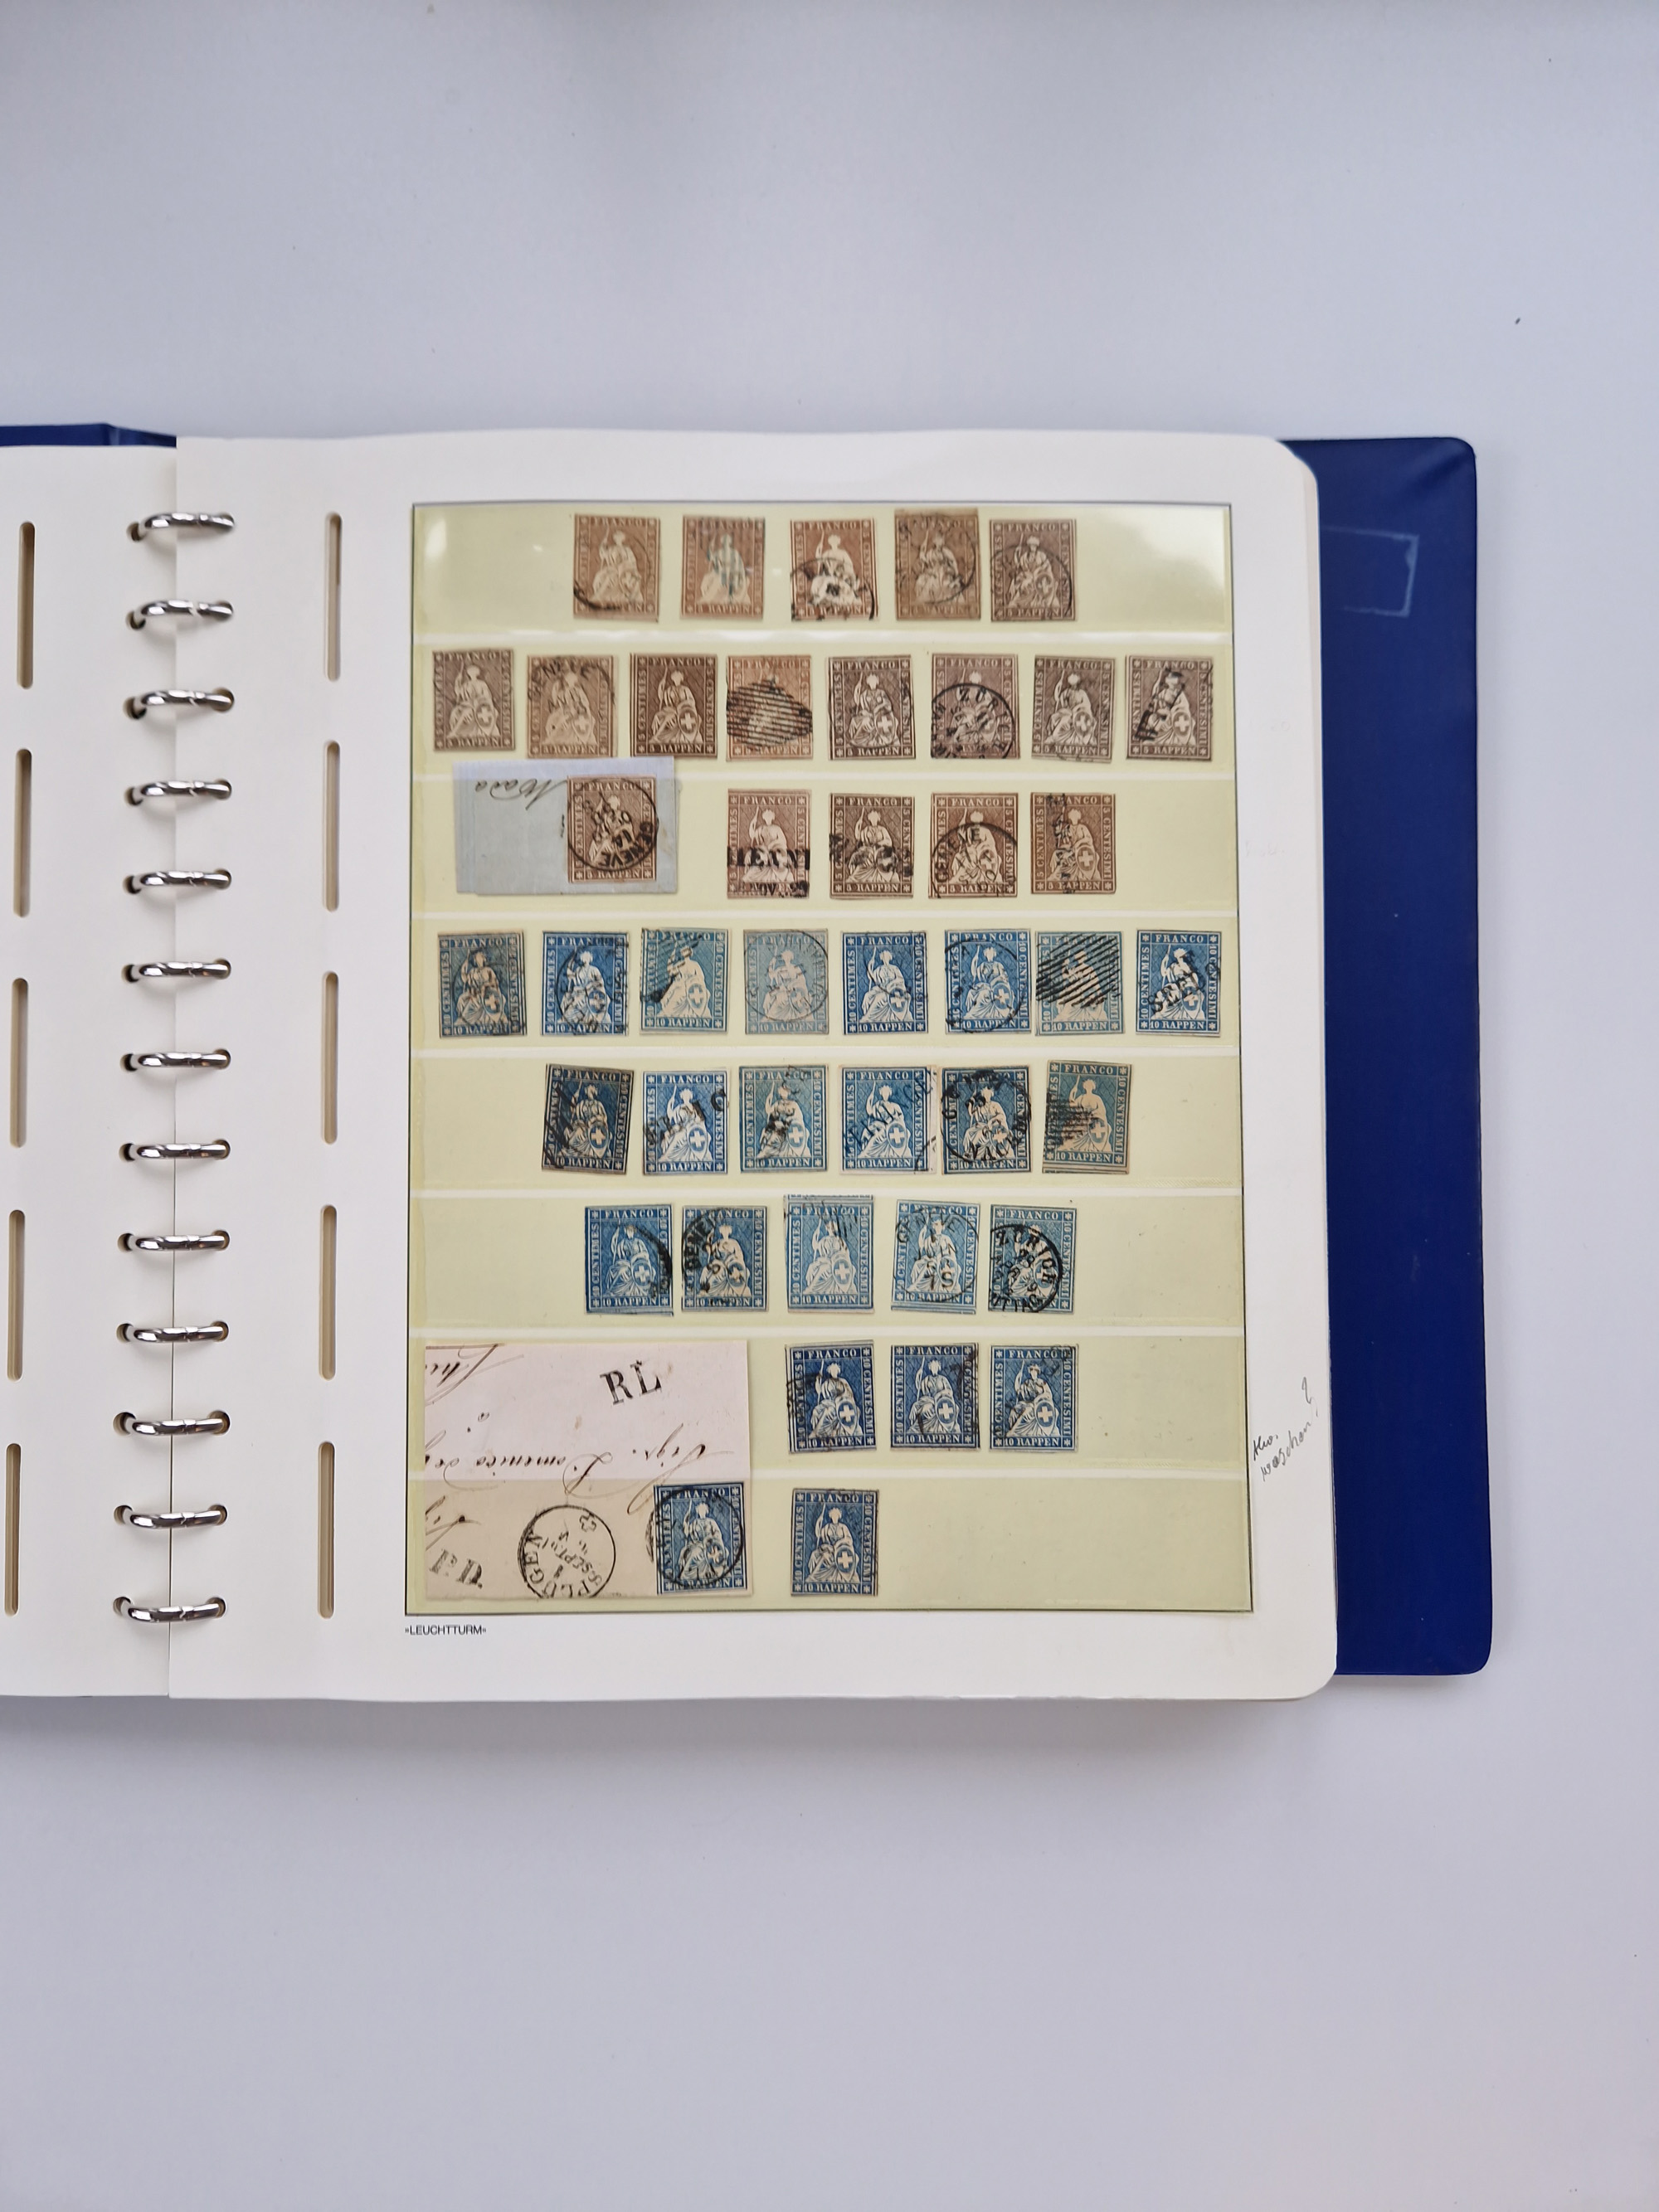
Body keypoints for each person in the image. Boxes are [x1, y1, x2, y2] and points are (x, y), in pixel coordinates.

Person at [1134, 664, 1198, 751]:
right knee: (1153, 721)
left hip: (1172, 718)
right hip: (1163, 717)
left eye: (1174, 681)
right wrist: (1160, 709)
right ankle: (1153, 737)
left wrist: (1173, 710)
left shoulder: (1180, 694)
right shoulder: (1163, 692)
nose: (1173, 685)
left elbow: (1184, 706)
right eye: (1171, 681)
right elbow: (1156, 700)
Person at [1005, 532, 1065, 617]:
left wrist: (1039, 570)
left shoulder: (1041, 555)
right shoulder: (1025, 556)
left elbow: (1047, 565)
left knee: (1033, 584)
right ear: (1029, 546)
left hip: (1040, 577)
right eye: (1031, 546)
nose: (1032, 547)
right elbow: (1018, 565)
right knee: (1023, 584)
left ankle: (1040, 602)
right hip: (1028, 576)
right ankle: (1019, 601)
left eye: (1034, 546)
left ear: (1036, 547)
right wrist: (1016, 554)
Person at [674, 1497, 730, 1586]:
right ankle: (686, 1575)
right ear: (698, 1511)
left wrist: (711, 1539)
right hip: (698, 1545)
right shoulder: (695, 1522)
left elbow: (718, 1534)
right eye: (700, 1510)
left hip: (710, 1546)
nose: (701, 1512)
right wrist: (686, 1523)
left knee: (704, 1554)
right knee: (693, 1553)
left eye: (703, 1510)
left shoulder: (711, 1522)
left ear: (706, 1511)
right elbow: (687, 1533)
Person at [946, 809, 1005, 892]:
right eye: (974, 823)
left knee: (969, 860)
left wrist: (981, 846)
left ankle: (957, 877)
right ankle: (959, 877)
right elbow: (967, 842)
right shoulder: (969, 830)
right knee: (958, 856)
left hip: (983, 853)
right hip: (971, 851)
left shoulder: (986, 831)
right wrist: (961, 833)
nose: (976, 825)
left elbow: (991, 842)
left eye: (977, 823)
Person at [542, 662, 597, 752]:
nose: (571, 684)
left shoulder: (579, 691)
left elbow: (585, 704)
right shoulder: (561, 692)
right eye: (569, 682)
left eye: (573, 682)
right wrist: (565, 712)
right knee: (555, 722)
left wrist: (581, 708)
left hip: (577, 714)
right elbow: (560, 705)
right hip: (567, 712)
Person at [453, 946, 509, 1031]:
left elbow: (494, 983)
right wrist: (463, 969)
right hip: (475, 993)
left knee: (475, 1002)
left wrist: (485, 985)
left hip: (487, 994)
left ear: (484, 958)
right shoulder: (473, 971)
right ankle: (463, 1019)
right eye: (476, 957)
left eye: (479, 957)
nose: (477, 959)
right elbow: (465, 979)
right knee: (461, 999)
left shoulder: (488, 970)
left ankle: (465, 1019)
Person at [961, 940, 1016, 1026]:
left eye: (991, 953)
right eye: (988, 953)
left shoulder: (998, 965)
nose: (989, 955)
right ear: (985, 955)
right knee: (971, 993)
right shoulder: (982, 965)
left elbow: (1005, 977)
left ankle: (980, 1014)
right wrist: (974, 961)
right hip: (986, 987)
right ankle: (972, 1014)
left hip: (997, 989)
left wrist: (997, 979)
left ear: (994, 954)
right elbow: (974, 973)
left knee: (983, 994)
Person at [907, 1213, 962, 1299]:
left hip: (943, 1263)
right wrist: (921, 1234)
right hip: (933, 1261)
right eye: (935, 1225)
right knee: (917, 1264)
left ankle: (915, 1285)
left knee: (930, 1265)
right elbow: (922, 1247)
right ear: (933, 1227)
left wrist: (950, 1261)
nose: (937, 1227)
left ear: (943, 1227)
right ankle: (916, 1286)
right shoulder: (930, 1238)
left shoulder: (946, 1239)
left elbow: (952, 1254)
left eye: (939, 1225)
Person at [1005, 1359, 1062, 1443]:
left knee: (1027, 1411)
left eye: (1035, 1371)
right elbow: (1018, 1391)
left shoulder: (1042, 1382)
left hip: (1040, 1404)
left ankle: (1013, 1431)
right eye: (1032, 1371)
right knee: (1015, 1410)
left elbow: (1048, 1394)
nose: (1034, 1373)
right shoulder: (1027, 1383)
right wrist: (1018, 1378)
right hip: (1029, 1403)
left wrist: (1039, 1398)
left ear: (1038, 1372)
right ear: (1030, 1372)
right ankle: (1015, 1430)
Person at [446, 661, 501, 746]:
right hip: (467, 705)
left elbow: (487, 697)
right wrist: (458, 681)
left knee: (466, 713)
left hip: (479, 706)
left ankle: (454, 733)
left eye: (473, 672)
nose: (471, 674)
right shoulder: (466, 684)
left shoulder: (482, 684)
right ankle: (459, 732)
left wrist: (478, 701)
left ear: (476, 674)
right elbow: (458, 693)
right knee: (454, 713)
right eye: (470, 673)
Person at [856, 1083, 912, 1165]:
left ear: (889, 1094)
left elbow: (901, 1117)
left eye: (887, 1093)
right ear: (881, 1094)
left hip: (892, 1128)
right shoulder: (878, 1105)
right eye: (884, 1093)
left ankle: (867, 1153)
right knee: (867, 1131)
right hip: (881, 1125)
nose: (885, 1095)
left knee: (878, 1136)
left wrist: (896, 1121)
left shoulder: (895, 1106)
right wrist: (869, 1100)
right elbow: (870, 1112)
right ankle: (866, 1153)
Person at [1044, 666, 1097, 755]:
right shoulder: (1067, 692)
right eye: (1072, 685)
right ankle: (1054, 736)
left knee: (1065, 720)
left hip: (1079, 713)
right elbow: (1058, 699)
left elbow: (1087, 704)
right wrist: (1057, 687)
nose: (1073, 687)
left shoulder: (1082, 693)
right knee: (1054, 717)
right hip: (1068, 711)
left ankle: (1056, 737)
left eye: (1075, 685)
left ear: (1077, 684)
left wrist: (1078, 707)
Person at [559, 946, 613, 1032]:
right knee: (568, 999)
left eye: (587, 958)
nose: (585, 960)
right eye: (584, 958)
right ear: (582, 959)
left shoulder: (594, 970)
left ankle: (566, 1018)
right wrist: (571, 959)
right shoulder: (578, 970)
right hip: (578, 992)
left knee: (576, 1002)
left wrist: (590, 985)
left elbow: (600, 982)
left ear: (590, 959)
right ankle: (567, 1018)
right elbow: (570, 974)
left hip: (590, 993)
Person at [589, 527, 645, 610]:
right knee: (599, 577)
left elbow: (632, 561)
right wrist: (603, 544)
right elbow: (603, 555)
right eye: (616, 538)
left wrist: (628, 569)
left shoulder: (627, 549)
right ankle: (600, 596)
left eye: (619, 537)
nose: (617, 539)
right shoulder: (611, 549)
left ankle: (599, 596)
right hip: (612, 568)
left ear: (622, 539)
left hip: (625, 570)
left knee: (610, 577)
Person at [846, 667, 900, 752]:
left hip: (880, 716)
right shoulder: (864, 694)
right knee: (854, 721)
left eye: (874, 681)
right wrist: (857, 690)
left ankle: (856, 741)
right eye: (871, 682)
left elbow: (888, 705)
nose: (873, 684)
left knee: (866, 722)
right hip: (869, 715)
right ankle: (854, 739)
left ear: (877, 682)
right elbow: (858, 702)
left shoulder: (881, 693)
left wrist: (879, 707)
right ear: (868, 683)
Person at [650, 665, 705, 750]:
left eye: (677, 676)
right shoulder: (670, 689)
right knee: (657, 716)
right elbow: (662, 697)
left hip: (682, 711)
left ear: (680, 678)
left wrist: (681, 705)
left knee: (668, 718)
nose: (675, 678)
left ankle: (658, 737)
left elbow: (691, 701)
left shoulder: (685, 689)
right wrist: (661, 686)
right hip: (672, 709)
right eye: (674, 677)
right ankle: (657, 736)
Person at [907, 1358, 961, 1442]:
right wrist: (918, 1376)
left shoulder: (943, 1379)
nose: (934, 1369)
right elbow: (919, 1388)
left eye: (936, 1367)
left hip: (941, 1402)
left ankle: (942, 1429)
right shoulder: (927, 1379)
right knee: (923, 1408)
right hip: (930, 1400)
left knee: (955, 1408)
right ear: (930, 1368)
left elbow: (950, 1391)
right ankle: (919, 1428)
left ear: (938, 1368)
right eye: (933, 1367)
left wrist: (940, 1394)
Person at [1046, 804, 1100, 888]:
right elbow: (1067, 842)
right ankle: (1057, 874)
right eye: (1071, 817)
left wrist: (1079, 843)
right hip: (1072, 849)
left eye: (1074, 816)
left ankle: (1056, 875)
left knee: (1065, 857)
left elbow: (1089, 839)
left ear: (1077, 818)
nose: (1072, 818)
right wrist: (1061, 835)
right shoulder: (1068, 828)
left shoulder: (1082, 828)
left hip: (1081, 851)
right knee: (1056, 854)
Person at [744, 807, 796, 893]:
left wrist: (773, 844)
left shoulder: (777, 828)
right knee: (752, 857)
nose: (768, 819)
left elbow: (783, 840)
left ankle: (783, 881)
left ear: (772, 818)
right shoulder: (761, 828)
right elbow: (752, 835)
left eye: (770, 817)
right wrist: (752, 824)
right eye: (766, 817)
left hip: (775, 850)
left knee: (778, 859)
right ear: (764, 818)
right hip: (763, 850)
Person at [1056, 1074, 1112, 1155]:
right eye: (1087, 1086)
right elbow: (1073, 1105)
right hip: (1083, 1121)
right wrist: (1072, 1094)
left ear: (1092, 1087)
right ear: (1085, 1087)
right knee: (1072, 1130)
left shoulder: (1097, 1098)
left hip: (1094, 1122)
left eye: (1090, 1086)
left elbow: (1102, 1111)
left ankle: (1093, 1147)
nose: (1089, 1087)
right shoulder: (1081, 1097)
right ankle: (1070, 1145)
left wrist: (1093, 1115)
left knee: (1106, 1127)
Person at [809, 1361, 863, 1444]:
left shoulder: (843, 1382)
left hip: (840, 1403)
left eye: (835, 1370)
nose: (834, 1372)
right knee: (815, 1411)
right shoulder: (827, 1382)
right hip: (829, 1402)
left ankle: (821, 1432)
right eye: (832, 1371)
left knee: (828, 1411)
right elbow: (819, 1391)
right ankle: (818, 1432)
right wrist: (817, 1380)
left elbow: (849, 1394)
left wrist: (840, 1397)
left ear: (838, 1371)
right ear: (830, 1372)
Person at [698, 528, 752, 609]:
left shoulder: (734, 553)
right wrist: (710, 548)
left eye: (727, 541)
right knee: (707, 579)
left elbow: (740, 566)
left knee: (723, 581)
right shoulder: (719, 552)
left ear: (730, 543)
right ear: (722, 542)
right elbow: (711, 559)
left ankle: (729, 597)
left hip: (732, 574)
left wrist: (739, 574)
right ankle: (706, 597)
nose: (725, 543)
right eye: (724, 541)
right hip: (720, 573)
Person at [961, 1082, 1015, 1165]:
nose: (987, 1096)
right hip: (983, 1126)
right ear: (983, 1095)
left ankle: (971, 1151)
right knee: (968, 1132)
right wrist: (971, 1102)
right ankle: (968, 1150)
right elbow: (971, 1113)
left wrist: (993, 1120)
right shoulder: (980, 1106)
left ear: (991, 1095)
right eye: (985, 1095)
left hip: (994, 1128)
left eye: (988, 1094)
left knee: (979, 1133)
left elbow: (1002, 1116)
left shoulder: (995, 1105)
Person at [659, 1086, 713, 1168]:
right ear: (682, 1097)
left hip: (694, 1130)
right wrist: (670, 1104)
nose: (686, 1097)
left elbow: (701, 1120)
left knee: (707, 1136)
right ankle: (666, 1156)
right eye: (684, 1095)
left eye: (687, 1095)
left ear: (690, 1096)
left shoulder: (695, 1107)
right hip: (684, 1129)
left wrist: (698, 1121)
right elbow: (671, 1116)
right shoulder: (679, 1108)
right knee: (677, 1137)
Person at [808, 530, 862, 613]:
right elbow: (819, 560)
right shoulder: (827, 553)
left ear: (838, 543)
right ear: (830, 543)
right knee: (817, 580)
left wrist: (840, 572)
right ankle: (817, 597)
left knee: (827, 582)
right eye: (832, 542)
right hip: (830, 575)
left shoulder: (843, 553)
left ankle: (818, 599)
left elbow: (849, 566)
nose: (833, 544)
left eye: (835, 542)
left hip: (841, 576)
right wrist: (818, 549)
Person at [760, 1079, 812, 1162]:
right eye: (781, 1090)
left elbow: (799, 1118)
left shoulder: (794, 1104)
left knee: (776, 1137)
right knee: (773, 1136)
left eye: (784, 1091)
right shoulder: (777, 1103)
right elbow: (768, 1111)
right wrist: (768, 1099)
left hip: (790, 1129)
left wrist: (787, 1122)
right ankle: (766, 1153)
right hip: (779, 1130)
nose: (782, 1092)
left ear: (788, 1092)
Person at [697, 1221, 750, 1303]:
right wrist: (708, 1240)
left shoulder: (734, 1242)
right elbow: (710, 1250)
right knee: (705, 1270)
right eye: (723, 1231)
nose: (725, 1233)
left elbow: (739, 1256)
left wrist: (731, 1260)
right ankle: (704, 1289)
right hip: (718, 1264)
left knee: (719, 1273)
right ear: (721, 1232)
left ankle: (712, 1291)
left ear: (729, 1232)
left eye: (726, 1231)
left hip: (730, 1266)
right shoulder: (718, 1242)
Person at [912, 520, 963, 606]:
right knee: (920, 581)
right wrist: (922, 552)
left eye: (942, 539)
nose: (942, 541)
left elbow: (953, 562)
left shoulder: (946, 551)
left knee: (940, 582)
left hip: (944, 573)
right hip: (933, 573)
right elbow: (925, 562)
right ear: (935, 541)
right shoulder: (931, 552)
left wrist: (956, 574)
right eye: (940, 540)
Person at [803, 1213, 856, 1296]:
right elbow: (815, 1246)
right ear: (827, 1228)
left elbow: (846, 1253)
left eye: (832, 1227)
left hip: (836, 1264)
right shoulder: (824, 1240)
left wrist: (842, 1259)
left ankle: (812, 1289)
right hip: (826, 1261)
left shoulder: (839, 1240)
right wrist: (815, 1235)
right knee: (816, 1268)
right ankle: (812, 1288)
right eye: (829, 1227)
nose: (831, 1229)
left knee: (824, 1269)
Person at [846, 805, 898, 889]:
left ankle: (881, 877)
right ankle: (856, 876)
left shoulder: (882, 829)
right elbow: (858, 837)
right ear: (869, 819)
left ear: (878, 819)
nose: (874, 820)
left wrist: (879, 844)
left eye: (875, 818)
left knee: (877, 857)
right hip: (868, 850)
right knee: (857, 856)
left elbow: (889, 841)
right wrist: (857, 825)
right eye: (872, 818)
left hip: (880, 851)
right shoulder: (866, 829)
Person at [659, 942, 712, 1023]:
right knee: (670, 995)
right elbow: (671, 972)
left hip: (690, 987)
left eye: (685, 950)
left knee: (679, 993)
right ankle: (669, 1012)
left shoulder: (695, 964)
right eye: (683, 951)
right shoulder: (679, 965)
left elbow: (701, 978)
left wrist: (692, 981)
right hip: (681, 985)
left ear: (689, 952)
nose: (683, 952)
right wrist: (670, 959)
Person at [860, 945, 912, 1026]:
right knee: (867, 996)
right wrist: (869, 967)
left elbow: (900, 979)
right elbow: (872, 978)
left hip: (892, 989)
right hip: (881, 988)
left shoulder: (894, 968)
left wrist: (891, 984)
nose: (885, 958)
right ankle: (870, 1016)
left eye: (886, 956)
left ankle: (867, 1016)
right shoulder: (879, 969)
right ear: (882, 958)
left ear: (889, 957)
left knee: (878, 997)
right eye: (883, 956)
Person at [807, 1503, 861, 1582]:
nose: (834, 1518)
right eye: (833, 1516)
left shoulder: (843, 1527)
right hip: (830, 1550)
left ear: (839, 1517)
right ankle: (814, 1576)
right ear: (831, 1516)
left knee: (825, 1556)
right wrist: (818, 1522)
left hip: (840, 1551)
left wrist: (839, 1543)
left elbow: (849, 1540)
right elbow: (818, 1534)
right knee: (814, 1554)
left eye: (836, 1516)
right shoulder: (827, 1527)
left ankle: (813, 1575)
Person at [605, 1220, 657, 1300]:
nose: (630, 1233)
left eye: (632, 1231)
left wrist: (636, 1257)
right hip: (627, 1264)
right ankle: (612, 1290)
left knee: (652, 1271)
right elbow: (618, 1255)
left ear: (634, 1232)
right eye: (629, 1231)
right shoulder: (622, 1243)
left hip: (639, 1265)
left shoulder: (639, 1242)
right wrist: (615, 1239)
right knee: (620, 1271)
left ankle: (649, 1291)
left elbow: (646, 1254)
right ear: (626, 1231)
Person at [1151, 943, 1205, 1021]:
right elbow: (1164, 973)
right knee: (1160, 995)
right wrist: (1164, 960)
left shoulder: (1187, 966)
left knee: (1172, 998)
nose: (1181, 959)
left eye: (1182, 957)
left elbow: (1193, 978)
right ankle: (1160, 1013)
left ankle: (1164, 1013)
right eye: (1180, 957)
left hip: (1185, 989)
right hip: (1175, 987)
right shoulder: (1173, 966)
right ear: (1177, 957)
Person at [562, 1082, 611, 1161]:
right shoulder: (582, 1104)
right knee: (567, 1131)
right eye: (588, 1089)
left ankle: (569, 1150)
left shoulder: (598, 1105)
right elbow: (574, 1111)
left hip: (593, 1128)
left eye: (591, 1089)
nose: (588, 1091)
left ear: (594, 1091)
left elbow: (604, 1117)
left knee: (578, 1133)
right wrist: (574, 1099)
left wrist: (593, 1119)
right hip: (582, 1125)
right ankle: (569, 1149)